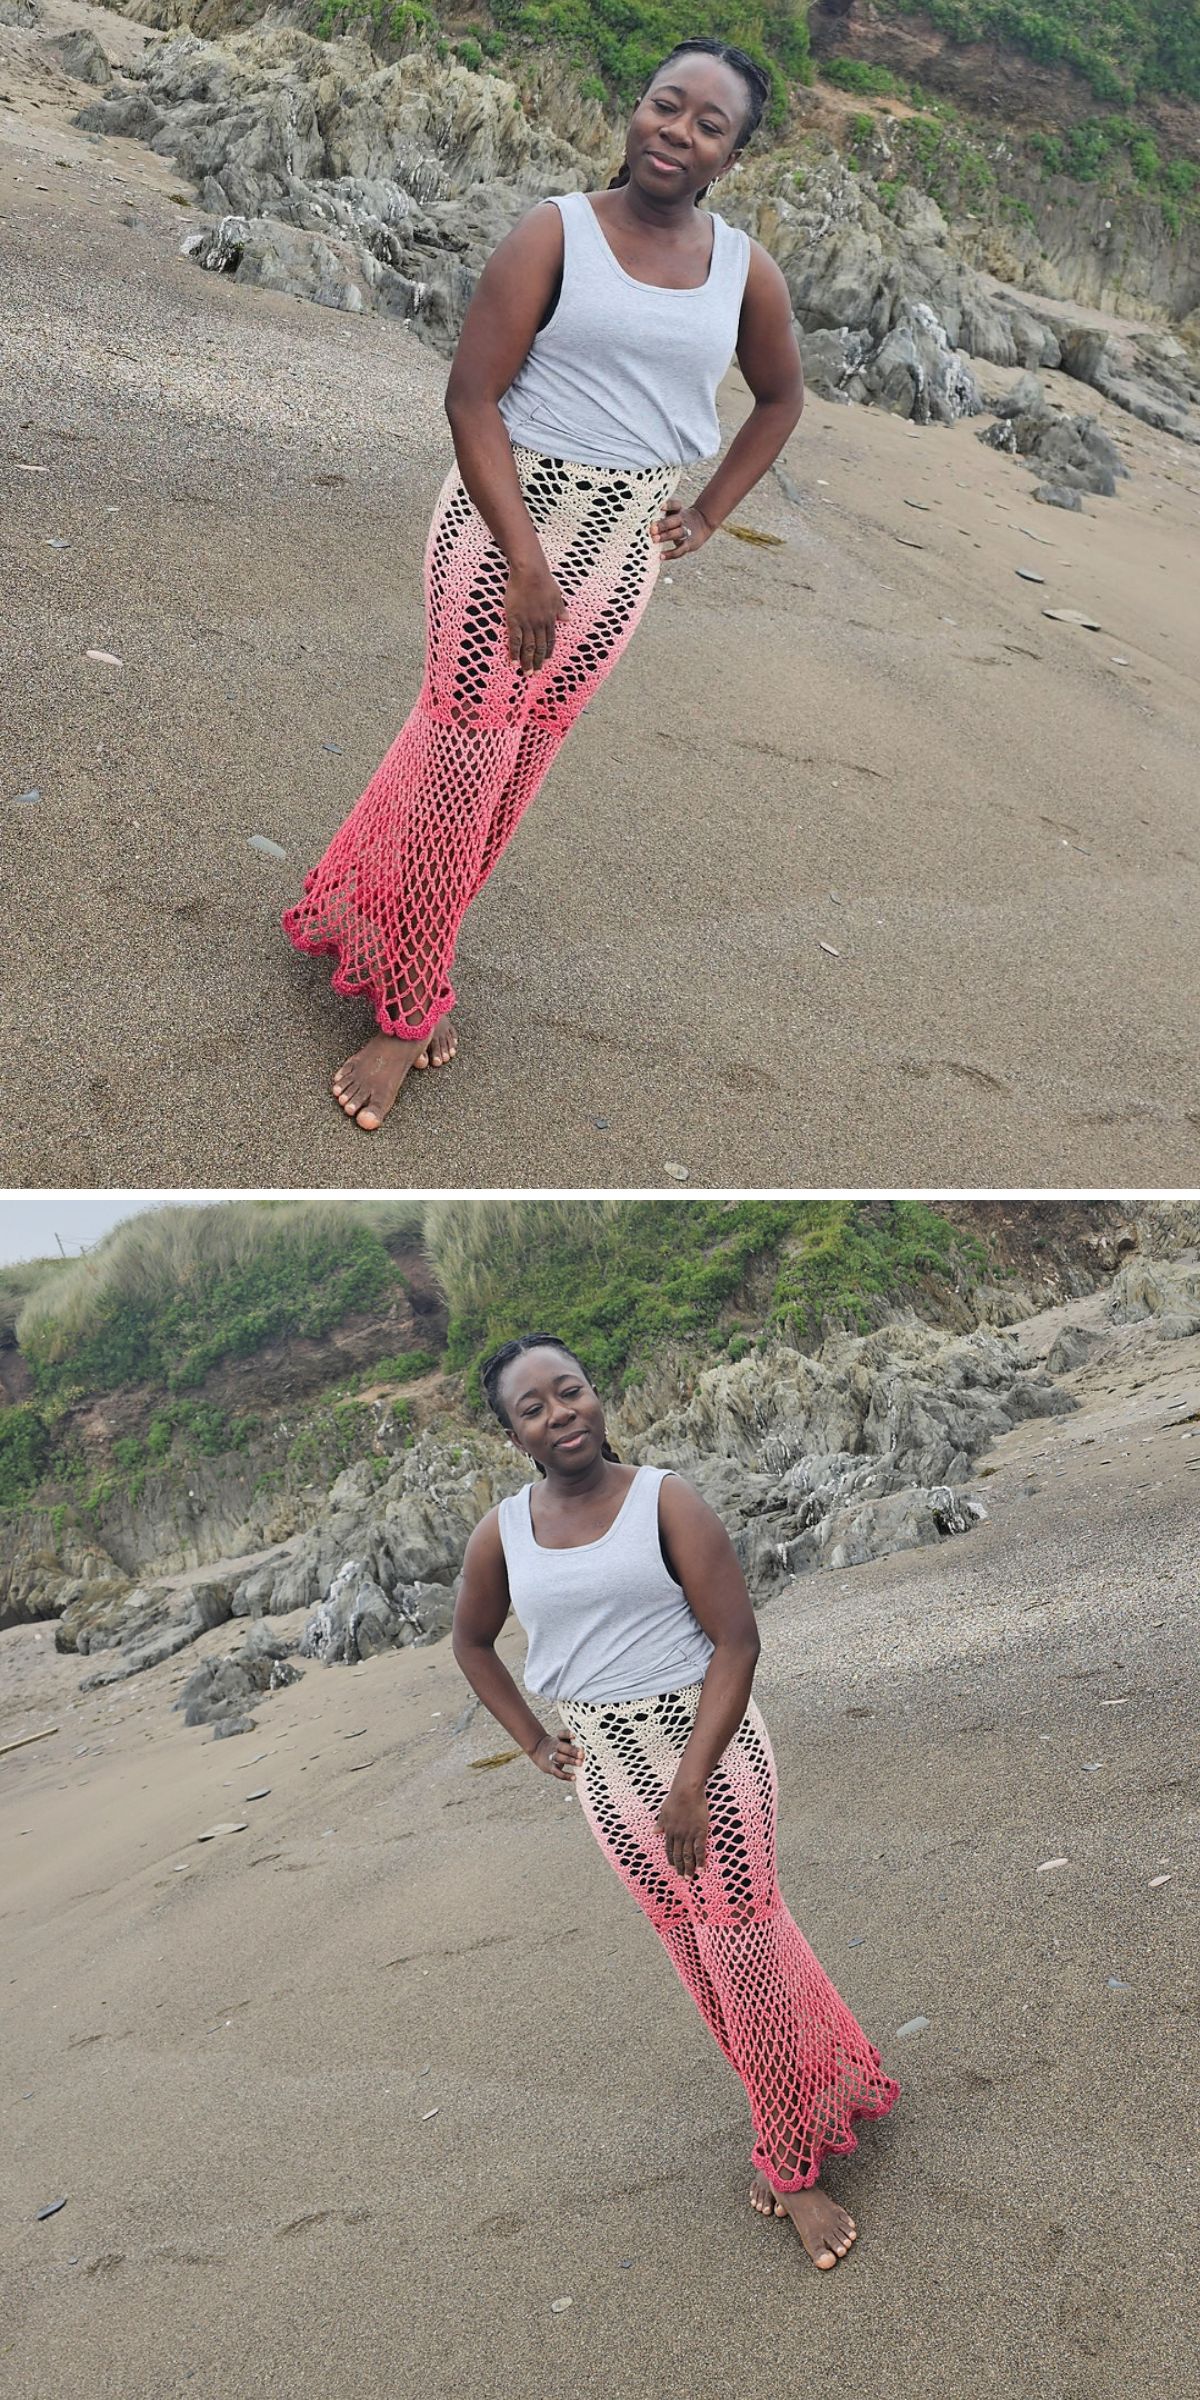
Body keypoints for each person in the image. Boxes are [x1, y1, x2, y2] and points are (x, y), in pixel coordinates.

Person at [283, 39, 805, 1131]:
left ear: (732, 155)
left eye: (710, 124)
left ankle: (381, 923)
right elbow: (472, 400)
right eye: (667, 105)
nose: (679, 131)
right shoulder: (554, 233)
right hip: (502, 532)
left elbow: (779, 399)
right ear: (636, 110)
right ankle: (408, 1007)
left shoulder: (743, 269)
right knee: (463, 750)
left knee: (514, 760)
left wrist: (707, 514)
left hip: (623, 556)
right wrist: (525, 563)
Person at [452, 1336, 899, 2271]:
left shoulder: (666, 1501)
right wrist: (535, 1742)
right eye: (532, 1407)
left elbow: (736, 1644)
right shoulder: (503, 1532)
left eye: (569, 1391)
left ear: (595, 1395)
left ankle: (791, 2165)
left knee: (746, 1942)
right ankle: (809, 2096)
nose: (559, 1413)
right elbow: (473, 1643)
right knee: (700, 1952)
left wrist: (691, 1782)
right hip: (608, 1779)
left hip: (711, 1756)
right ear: (513, 1435)